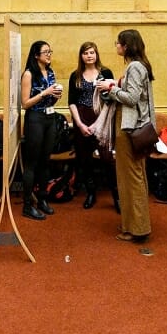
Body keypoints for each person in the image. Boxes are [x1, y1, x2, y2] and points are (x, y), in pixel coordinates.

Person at [97, 29, 154, 243]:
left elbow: (132, 98)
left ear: (126, 46)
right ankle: (134, 224)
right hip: (131, 125)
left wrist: (110, 88)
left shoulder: (135, 66)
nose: (116, 46)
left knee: (131, 178)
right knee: (131, 177)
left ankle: (138, 228)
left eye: (118, 43)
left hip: (130, 127)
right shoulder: (139, 65)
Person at [67, 42, 115, 210]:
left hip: (102, 118)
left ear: (97, 54)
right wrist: (79, 124)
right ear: (81, 56)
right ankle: (91, 193)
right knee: (85, 159)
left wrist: (97, 124)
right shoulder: (75, 75)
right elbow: (71, 102)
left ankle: (117, 197)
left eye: (92, 52)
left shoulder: (105, 73)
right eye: (86, 53)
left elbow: (111, 101)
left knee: (107, 158)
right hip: (82, 118)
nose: (89, 55)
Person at [20, 40, 62, 220]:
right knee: (32, 163)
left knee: (46, 161)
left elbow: (50, 99)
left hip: (50, 118)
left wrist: (56, 95)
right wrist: (44, 93)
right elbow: (25, 103)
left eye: (50, 51)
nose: (49, 54)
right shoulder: (29, 74)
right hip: (35, 119)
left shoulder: (50, 72)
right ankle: (27, 205)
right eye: (45, 52)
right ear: (36, 55)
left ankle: (43, 199)